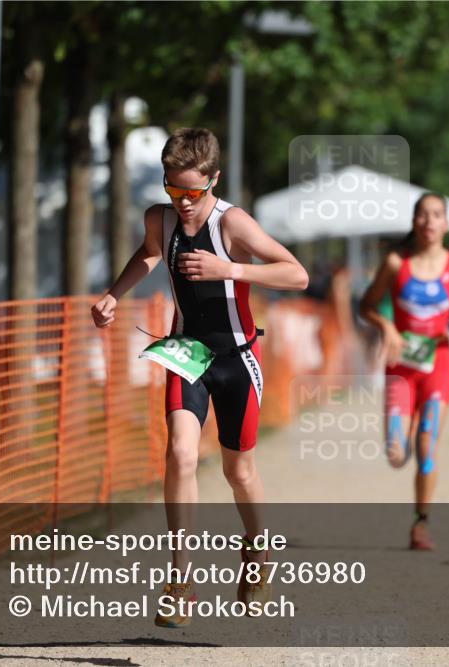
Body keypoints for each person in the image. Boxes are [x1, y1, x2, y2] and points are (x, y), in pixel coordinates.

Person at [91, 128, 308, 627]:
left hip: (237, 357)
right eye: (172, 189)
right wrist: (113, 294)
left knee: (239, 472)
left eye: (192, 192)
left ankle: (257, 553)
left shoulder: (232, 223)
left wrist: (228, 269)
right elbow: (149, 252)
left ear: (213, 179)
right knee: (180, 453)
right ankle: (181, 580)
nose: (183, 203)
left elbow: (295, 274)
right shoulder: (160, 218)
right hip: (187, 351)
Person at [359, 193, 449, 550]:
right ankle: (410, 431)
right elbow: (365, 305)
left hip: (438, 366)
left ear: (446, 224)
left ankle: (421, 523)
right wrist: (385, 325)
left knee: (427, 447)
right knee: (397, 454)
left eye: (437, 215)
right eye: (423, 215)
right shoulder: (396, 263)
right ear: (415, 222)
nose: (430, 222)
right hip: (401, 367)